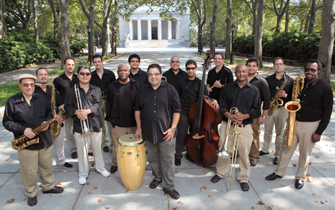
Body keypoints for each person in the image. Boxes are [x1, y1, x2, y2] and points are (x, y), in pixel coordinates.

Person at [265, 59, 333, 190]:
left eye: (313, 70)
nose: (309, 72)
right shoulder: (298, 84)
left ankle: (300, 177)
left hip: (310, 125)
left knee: (304, 153)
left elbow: (327, 113)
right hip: (293, 121)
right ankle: (279, 172)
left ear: (318, 71)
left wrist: (319, 132)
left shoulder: (325, 89)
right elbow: (292, 101)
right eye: (307, 69)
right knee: (286, 149)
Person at [3, 74, 64, 206]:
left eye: (32, 84)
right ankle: (31, 193)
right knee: (29, 170)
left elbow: (49, 113)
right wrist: (22, 129)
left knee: (46, 166)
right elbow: (7, 122)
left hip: (43, 139)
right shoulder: (12, 101)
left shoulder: (41, 98)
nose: (29, 87)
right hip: (26, 141)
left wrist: (47, 123)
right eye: (26, 84)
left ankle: (48, 186)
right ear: (20, 85)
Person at [210, 64, 261, 191]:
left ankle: (243, 178)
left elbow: (256, 110)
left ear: (247, 72)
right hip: (228, 124)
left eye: (244, 71)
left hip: (245, 125)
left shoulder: (254, 90)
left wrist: (244, 116)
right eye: (239, 72)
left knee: (244, 152)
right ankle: (221, 173)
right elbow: (222, 106)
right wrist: (230, 116)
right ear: (235, 73)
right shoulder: (227, 88)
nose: (241, 74)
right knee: (224, 149)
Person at [135, 64, 181, 199]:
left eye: (156, 74)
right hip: (149, 132)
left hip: (166, 133)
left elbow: (177, 111)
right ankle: (157, 178)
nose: (153, 76)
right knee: (153, 159)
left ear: (161, 75)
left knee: (168, 161)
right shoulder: (142, 90)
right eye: (150, 74)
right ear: (147, 76)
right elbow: (137, 109)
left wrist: (173, 128)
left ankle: (169, 186)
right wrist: (138, 127)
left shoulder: (170, 89)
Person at [64, 65, 110, 185]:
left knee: (97, 149)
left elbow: (98, 104)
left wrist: (86, 111)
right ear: (78, 75)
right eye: (82, 73)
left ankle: (100, 168)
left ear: (90, 75)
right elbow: (68, 106)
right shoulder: (71, 91)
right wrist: (76, 112)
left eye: (87, 74)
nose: (85, 76)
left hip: (95, 124)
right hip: (79, 125)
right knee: (82, 151)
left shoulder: (96, 89)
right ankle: (83, 173)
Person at [175, 60, 219, 166]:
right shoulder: (180, 82)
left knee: (197, 134)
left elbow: (206, 97)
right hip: (184, 111)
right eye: (188, 68)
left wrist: (214, 100)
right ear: (186, 70)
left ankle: (194, 151)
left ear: (196, 69)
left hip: (197, 113)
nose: (190, 70)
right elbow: (176, 98)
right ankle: (178, 154)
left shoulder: (200, 83)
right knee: (182, 133)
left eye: (192, 68)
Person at [35, 67, 73, 168]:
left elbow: (60, 104)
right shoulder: (34, 91)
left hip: (57, 121)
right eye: (41, 74)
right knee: (44, 147)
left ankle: (61, 161)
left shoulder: (52, 88)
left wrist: (64, 114)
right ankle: (44, 166)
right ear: (36, 77)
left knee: (59, 143)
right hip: (43, 123)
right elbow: (36, 111)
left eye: (45, 74)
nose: (43, 76)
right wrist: (54, 117)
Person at [106, 64, 140, 174]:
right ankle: (115, 164)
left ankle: (134, 163)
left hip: (133, 124)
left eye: (125, 70)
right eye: (120, 70)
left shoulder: (136, 85)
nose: (123, 72)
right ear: (117, 72)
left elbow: (139, 104)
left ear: (129, 71)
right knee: (117, 146)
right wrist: (111, 119)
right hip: (118, 123)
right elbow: (109, 103)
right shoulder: (112, 86)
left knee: (133, 148)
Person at [260, 57, 294, 165]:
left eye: (280, 64)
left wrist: (286, 95)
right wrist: (267, 102)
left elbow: (294, 98)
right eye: (276, 64)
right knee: (267, 130)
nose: (278, 66)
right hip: (270, 107)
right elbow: (264, 93)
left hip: (283, 108)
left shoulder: (290, 81)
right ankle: (265, 149)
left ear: (284, 65)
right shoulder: (268, 79)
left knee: (280, 133)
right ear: (274, 66)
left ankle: (278, 154)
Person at [246, 57, 271, 166]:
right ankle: (239, 152)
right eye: (249, 65)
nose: (251, 68)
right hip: (241, 113)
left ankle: (254, 156)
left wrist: (264, 117)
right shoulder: (242, 78)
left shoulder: (261, 81)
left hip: (255, 114)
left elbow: (266, 101)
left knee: (254, 136)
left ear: (257, 67)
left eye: (253, 66)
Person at [53, 57, 79, 159]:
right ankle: (74, 149)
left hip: (78, 107)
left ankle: (87, 148)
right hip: (65, 108)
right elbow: (55, 93)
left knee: (81, 128)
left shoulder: (78, 77)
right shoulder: (58, 80)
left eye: (72, 65)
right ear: (64, 65)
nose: (71, 66)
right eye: (68, 64)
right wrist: (60, 104)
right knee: (69, 130)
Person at [90, 54, 116, 152]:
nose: (97, 63)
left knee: (111, 123)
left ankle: (113, 143)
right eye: (95, 62)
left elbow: (115, 88)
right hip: (97, 101)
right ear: (93, 63)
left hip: (109, 101)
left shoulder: (110, 74)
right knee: (100, 123)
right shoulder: (91, 75)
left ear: (102, 62)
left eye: (98, 61)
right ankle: (104, 143)